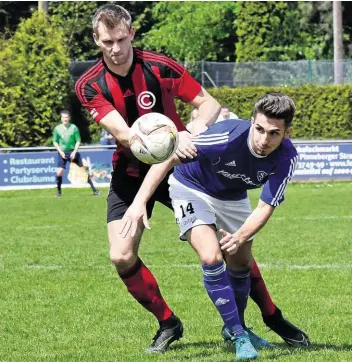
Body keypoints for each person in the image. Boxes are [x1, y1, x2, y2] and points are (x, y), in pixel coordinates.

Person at [75, 4, 221, 353]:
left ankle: (249, 322)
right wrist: (155, 138)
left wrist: (192, 131)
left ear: (132, 34)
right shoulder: (89, 84)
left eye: (121, 39)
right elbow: (125, 135)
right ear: (96, 39)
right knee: (121, 255)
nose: (115, 48)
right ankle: (168, 323)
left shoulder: (159, 66)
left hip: (180, 170)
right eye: (107, 41)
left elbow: (208, 104)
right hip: (128, 174)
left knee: (222, 248)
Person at [120, 93, 311, 359]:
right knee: (211, 256)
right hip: (191, 188)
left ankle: (237, 326)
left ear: (286, 133)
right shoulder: (225, 137)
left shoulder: (286, 158)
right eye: (259, 129)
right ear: (251, 121)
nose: (263, 140)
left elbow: (265, 207)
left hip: (233, 198)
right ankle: (238, 334)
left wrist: (240, 236)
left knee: (241, 264)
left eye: (274, 134)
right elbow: (169, 158)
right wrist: (139, 202)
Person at [53, 110, 101, 197]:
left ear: (69, 118)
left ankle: (95, 190)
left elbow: (78, 141)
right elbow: (55, 142)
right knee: (59, 172)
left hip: (73, 152)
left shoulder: (74, 128)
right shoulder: (57, 129)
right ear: (61, 118)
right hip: (62, 152)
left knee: (84, 172)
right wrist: (60, 151)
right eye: (63, 117)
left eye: (66, 117)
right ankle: (58, 192)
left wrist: (74, 152)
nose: (65, 119)